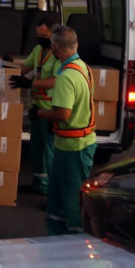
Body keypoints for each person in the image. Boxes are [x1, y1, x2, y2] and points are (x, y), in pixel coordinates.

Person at [30, 25, 96, 235]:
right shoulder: (82, 67)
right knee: (59, 196)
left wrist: (39, 114)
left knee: (70, 199)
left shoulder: (66, 76)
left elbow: (63, 114)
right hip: (74, 143)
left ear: (55, 48)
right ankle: (58, 234)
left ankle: (74, 243)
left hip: (73, 147)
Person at [9, 17, 61, 195]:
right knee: (36, 150)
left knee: (50, 153)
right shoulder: (39, 49)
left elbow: (55, 81)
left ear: (53, 36)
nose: (40, 38)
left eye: (44, 35)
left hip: (50, 110)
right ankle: (39, 184)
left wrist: (29, 84)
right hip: (37, 108)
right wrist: (8, 67)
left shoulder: (58, 56)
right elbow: (26, 67)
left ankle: (52, 192)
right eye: (38, 34)